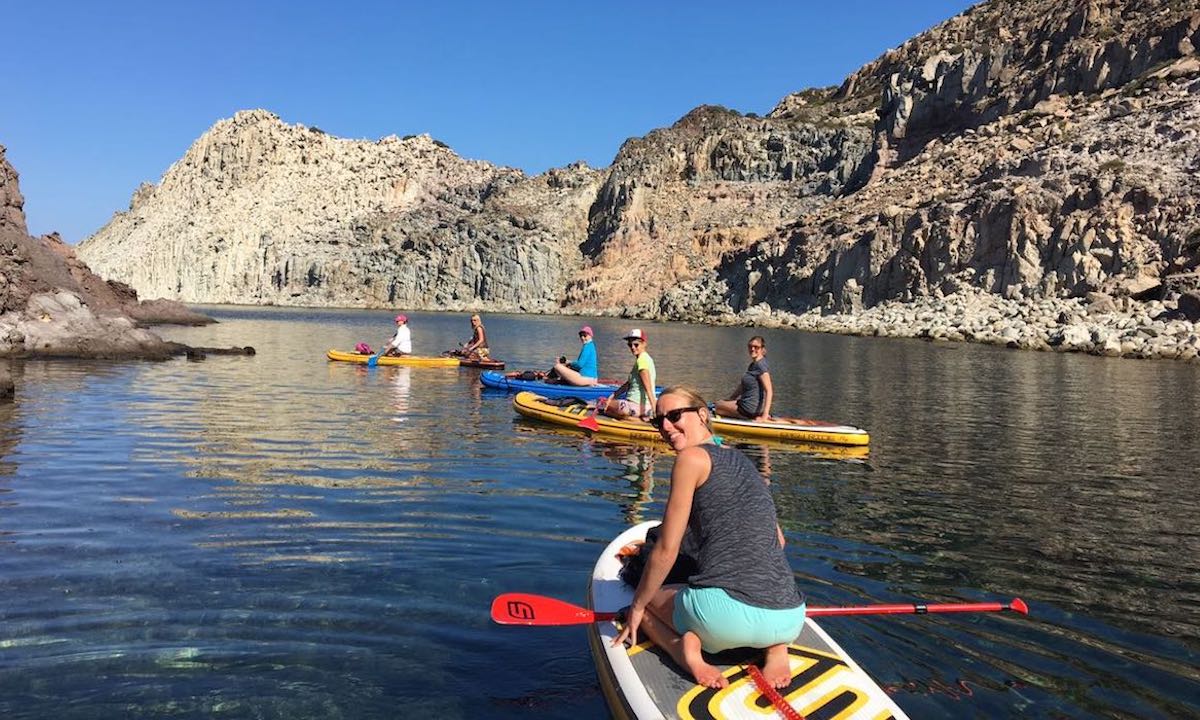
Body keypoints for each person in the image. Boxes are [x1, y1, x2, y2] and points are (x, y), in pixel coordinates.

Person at [613, 385, 804, 690]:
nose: (664, 426)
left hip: (722, 621)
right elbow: (778, 541)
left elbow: (666, 550)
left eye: (674, 415)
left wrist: (637, 605)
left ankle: (682, 649)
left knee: (644, 596)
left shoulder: (691, 458)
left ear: (702, 415)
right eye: (657, 420)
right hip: (790, 615)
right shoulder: (745, 462)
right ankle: (776, 647)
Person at [599, 329, 655, 420]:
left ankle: (629, 419)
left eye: (636, 344)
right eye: (630, 345)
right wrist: (612, 396)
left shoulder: (641, 361)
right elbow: (628, 384)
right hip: (645, 408)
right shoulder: (647, 359)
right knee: (609, 401)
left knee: (602, 403)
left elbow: (647, 387)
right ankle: (638, 417)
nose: (632, 347)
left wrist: (655, 408)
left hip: (633, 407)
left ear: (644, 344)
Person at [715, 335, 773, 422]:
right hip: (745, 404)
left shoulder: (761, 366)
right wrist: (731, 398)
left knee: (717, 406)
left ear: (762, 349)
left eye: (756, 347)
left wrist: (764, 416)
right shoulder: (753, 365)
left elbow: (769, 391)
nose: (752, 349)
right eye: (750, 346)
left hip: (748, 408)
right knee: (720, 403)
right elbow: (742, 386)